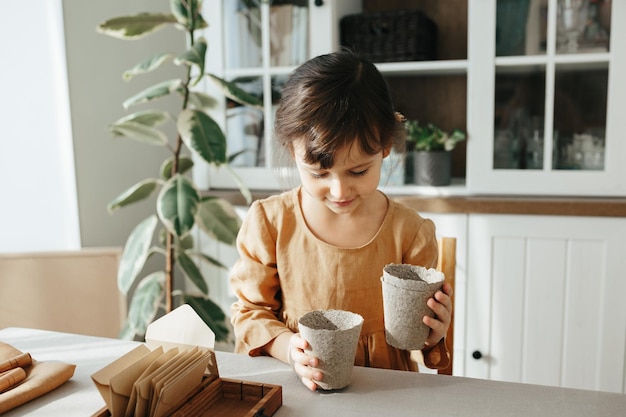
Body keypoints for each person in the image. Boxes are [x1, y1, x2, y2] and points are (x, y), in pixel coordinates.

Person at [229, 48, 453, 391]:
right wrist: (290, 350)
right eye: (319, 173)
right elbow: (249, 314)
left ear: (386, 146)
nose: (339, 190)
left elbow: (419, 344)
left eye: (359, 170)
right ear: (293, 151)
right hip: (298, 390)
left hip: (387, 394)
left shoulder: (411, 233)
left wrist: (432, 333)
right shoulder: (270, 223)